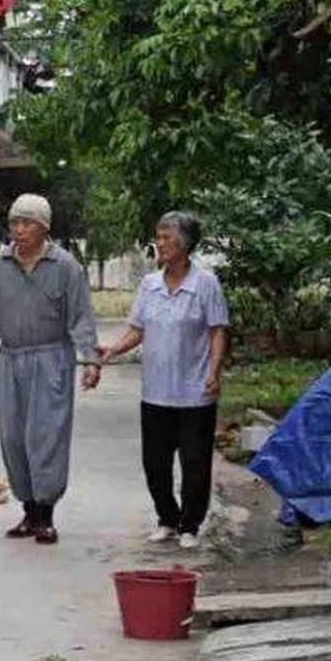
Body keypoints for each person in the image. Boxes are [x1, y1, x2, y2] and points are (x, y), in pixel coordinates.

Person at [98, 211, 230, 551]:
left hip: (194, 392)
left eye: (167, 238)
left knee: (195, 465)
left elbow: (217, 331)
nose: (159, 243)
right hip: (156, 392)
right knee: (154, 464)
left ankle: (190, 524)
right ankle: (167, 518)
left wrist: (214, 372)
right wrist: (112, 349)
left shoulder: (205, 284)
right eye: (158, 237)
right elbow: (137, 330)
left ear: (185, 245)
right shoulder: (150, 285)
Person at [0, 194, 100, 544]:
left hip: (51, 360)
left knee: (45, 437)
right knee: (13, 438)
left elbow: (81, 317)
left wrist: (90, 358)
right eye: (15, 223)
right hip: (10, 360)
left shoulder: (65, 267)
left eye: (27, 223)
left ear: (44, 228)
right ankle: (28, 509)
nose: (19, 230)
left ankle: (46, 514)